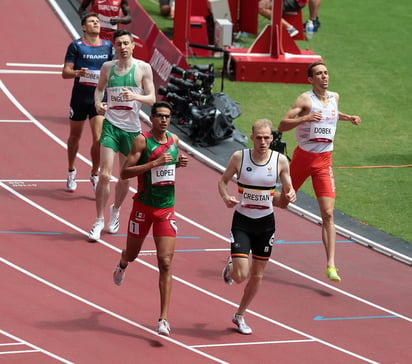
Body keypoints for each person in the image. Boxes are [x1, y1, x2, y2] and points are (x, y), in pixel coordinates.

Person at [277, 61, 361, 283]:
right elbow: (282, 125)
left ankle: (331, 265)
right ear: (310, 79)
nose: (324, 77)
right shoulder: (305, 100)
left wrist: (348, 117)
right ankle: (259, 194)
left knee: (328, 214)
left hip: (324, 162)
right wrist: (304, 118)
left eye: (326, 73)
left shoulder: (335, 97)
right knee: (284, 202)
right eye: (319, 74)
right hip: (303, 159)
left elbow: (331, 114)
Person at [112, 101, 189, 337]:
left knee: (165, 262)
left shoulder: (174, 141)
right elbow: (125, 172)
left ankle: (163, 319)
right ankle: (124, 262)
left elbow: (170, 167)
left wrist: (178, 163)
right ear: (152, 119)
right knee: (133, 254)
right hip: (143, 209)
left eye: (167, 116)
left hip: (166, 210)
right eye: (160, 116)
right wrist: (154, 163)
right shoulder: (142, 141)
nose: (164, 120)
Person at [219, 119, 296, 335]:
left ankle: (240, 314)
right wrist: (226, 196)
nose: (263, 141)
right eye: (259, 137)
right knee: (240, 275)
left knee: (258, 276)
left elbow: (288, 188)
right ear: (252, 137)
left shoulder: (280, 160)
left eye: (266, 137)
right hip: (242, 221)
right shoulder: (239, 157)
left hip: (265, 224)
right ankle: (232, 267)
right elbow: (222, 181)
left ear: (272, 138)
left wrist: (290, 194)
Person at [88, 29, 156, 242]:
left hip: (132, 130)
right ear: (114, 47)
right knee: (105, 175)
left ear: (133, 45)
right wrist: (98, 103)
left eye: (127, 43)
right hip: (111, 126)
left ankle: (115, 210)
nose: (123, 47)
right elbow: (99, 90)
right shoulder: (108, 67)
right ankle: (98, 220)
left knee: (125, 177)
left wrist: (134, 95)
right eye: (119, 44)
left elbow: (152, 98)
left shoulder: (143, 68)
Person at [62, 13, 113, 192]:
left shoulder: (108, 46)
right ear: (84, 27)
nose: (96, 23)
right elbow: (65, 72)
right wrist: (77, 73)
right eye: (92, 21)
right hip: (79, 97)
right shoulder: (76, 46)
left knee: (99, 138)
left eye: (98, 21)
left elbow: (114, 68)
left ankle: (94, 173)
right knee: (75, 136)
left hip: (99, 98)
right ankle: (71, 170)